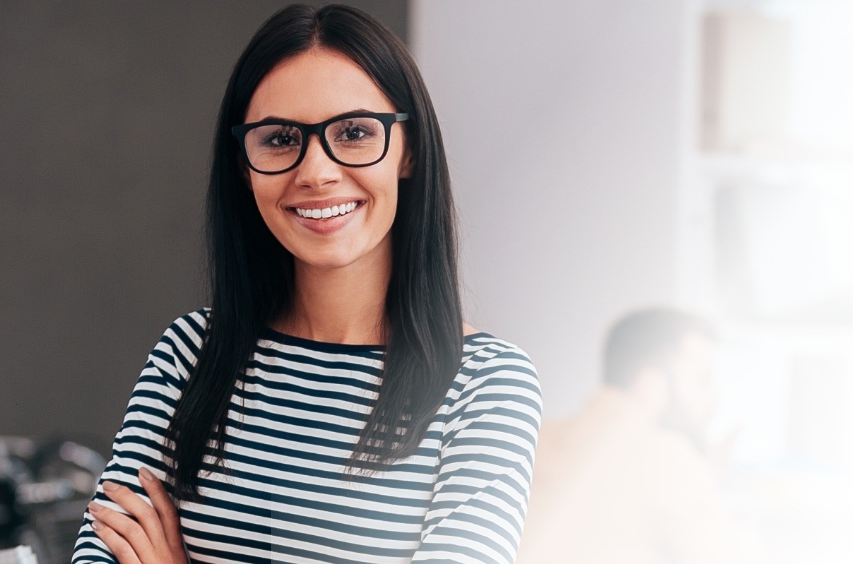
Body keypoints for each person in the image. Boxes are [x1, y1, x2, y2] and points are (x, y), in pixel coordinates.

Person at [70, 5, 542, 563]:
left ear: (408, 150)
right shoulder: (190, 354)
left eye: (355, 132)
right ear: (244, 165)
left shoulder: (486, 388)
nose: (316, 172)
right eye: (279, 139)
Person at [516, 309, 766, 564]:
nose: (713, 400)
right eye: (702, 380)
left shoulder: (535, 439)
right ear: (651, 382)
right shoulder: (670, 459)